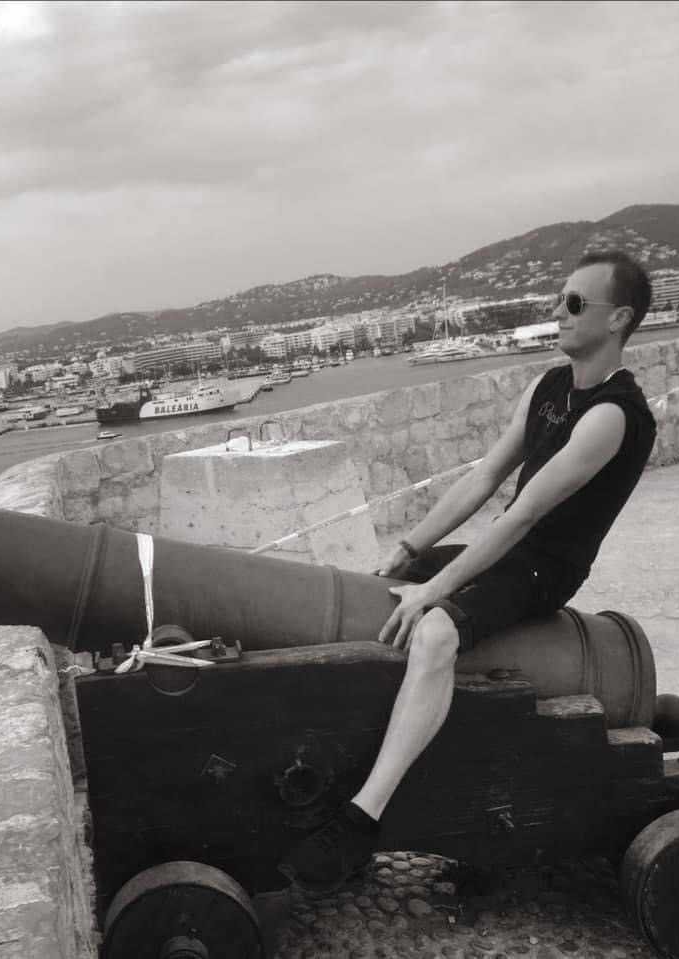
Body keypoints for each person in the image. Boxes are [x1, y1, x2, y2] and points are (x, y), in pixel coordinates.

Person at [279, 250, 657, 893]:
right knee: (381, 592)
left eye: (573, 303)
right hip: (512, 550)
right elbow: (484, 478)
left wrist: (436, 588)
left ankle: (363, 818)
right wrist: (411, 549)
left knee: (435, 630)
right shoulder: (548, 388)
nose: (557, 313)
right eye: (558, 299)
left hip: (546, 567)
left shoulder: (613, 415)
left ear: (619, 318)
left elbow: (523, 516)